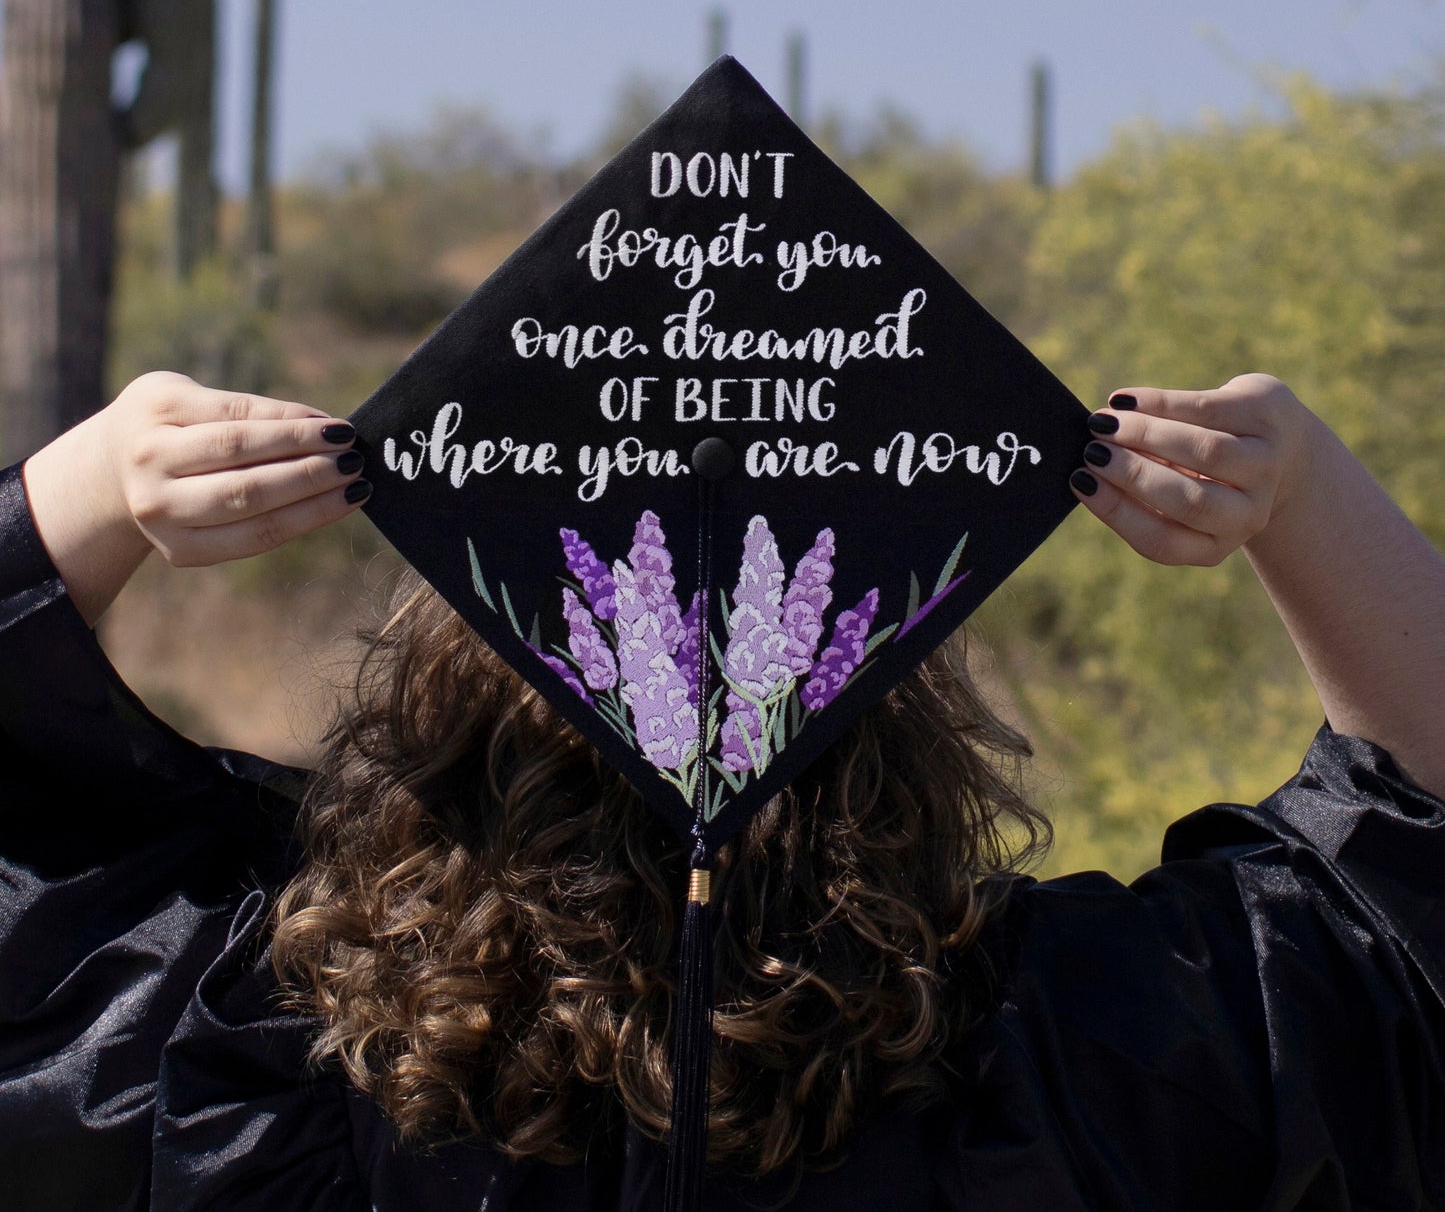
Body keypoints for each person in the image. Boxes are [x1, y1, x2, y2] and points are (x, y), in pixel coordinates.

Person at [1, 367, 1443, 1210]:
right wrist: (1297, 484)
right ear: (895, 706)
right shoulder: (1070, 1054)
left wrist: (87, 483)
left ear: (442, 706)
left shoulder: (240, 1072)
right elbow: (1406, 878)